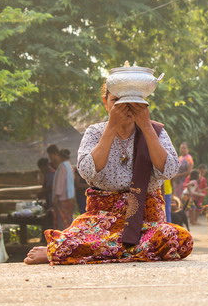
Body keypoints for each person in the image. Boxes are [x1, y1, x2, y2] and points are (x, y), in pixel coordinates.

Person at [23, 82, 193, 265]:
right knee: (77, 241)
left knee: (176, 239)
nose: (124, 109)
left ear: (142, 104)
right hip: (101, 220)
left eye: (131, 103)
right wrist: (111, 128)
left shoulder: (156, 131)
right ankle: (100, 249)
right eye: (116, 102)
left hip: (145, 221)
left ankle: (75, 251)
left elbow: (169, 170)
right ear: (106, 103)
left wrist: (146, 127)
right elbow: (86, 171)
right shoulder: (95, 132)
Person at [51, 149, 77, 230]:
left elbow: (60, 182)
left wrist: (56, 196)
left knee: (62, 219)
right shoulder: (69, 166)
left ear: (60, 156)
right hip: (70, 196)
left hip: (62, 197)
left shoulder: (62, 166)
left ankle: (63, 236)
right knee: (69, 219)